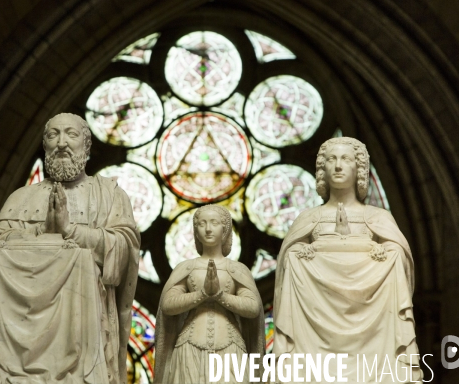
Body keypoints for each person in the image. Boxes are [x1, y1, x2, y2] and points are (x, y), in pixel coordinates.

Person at [0, 113, 140, 384]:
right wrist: (42, 232)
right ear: (45, 146)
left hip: (85, 327)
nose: (62, 143)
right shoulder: (21, 198)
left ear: (87, 146)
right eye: (53, 135)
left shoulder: (110, 196)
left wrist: (71, 231)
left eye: (71, 134)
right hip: (17, 332)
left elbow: (124, 251)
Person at [273, 137, 422, 382]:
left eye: (346, 159)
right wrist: (302, 251)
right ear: (322, 169)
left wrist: (380, 252)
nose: (338, 166)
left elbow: (399, 258)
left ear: (359, 169)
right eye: (331, 160)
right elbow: (288, 259)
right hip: (314, 327)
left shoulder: (377, 217)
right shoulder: (309, 218)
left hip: (373, 331)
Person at [154, 205, 264, 384]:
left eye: (214, 223)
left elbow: (253, 308)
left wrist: (220, 295)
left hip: (229, 347)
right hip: (189, 347)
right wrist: (203, 293)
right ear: (195, 231)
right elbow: (167, 304)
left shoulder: (236, 269)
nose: (208, 229)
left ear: (225, 229)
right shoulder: (186, 268)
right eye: (202, 224)